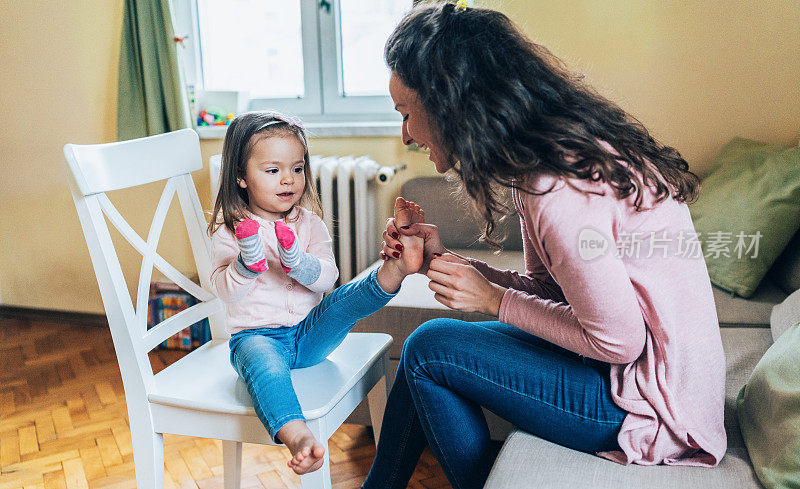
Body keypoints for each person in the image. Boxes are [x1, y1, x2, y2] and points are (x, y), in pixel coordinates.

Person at [362, 3, 726, 489]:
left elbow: (620, 342)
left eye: (407, 114)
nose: (405, 134)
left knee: (430, 346)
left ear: (453, 102)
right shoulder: (541, 160)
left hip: (650, 402)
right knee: (427, 349)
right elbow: (551, 289)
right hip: (630, 376)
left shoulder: (558, 189)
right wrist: (456, 267)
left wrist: (491, 300)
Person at [207, 111, 422, 475]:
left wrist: (296, 261)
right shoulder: (229, 230)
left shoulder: (309, 224)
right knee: (265, 369)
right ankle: (298, 435)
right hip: (256, 338)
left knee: (341, 301)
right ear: (241, 177)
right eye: (273, 170)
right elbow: (225, 291)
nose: (289, 180)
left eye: (297, 168)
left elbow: (327, 278)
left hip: (310, 334)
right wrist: (246, 265)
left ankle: (394, 269)